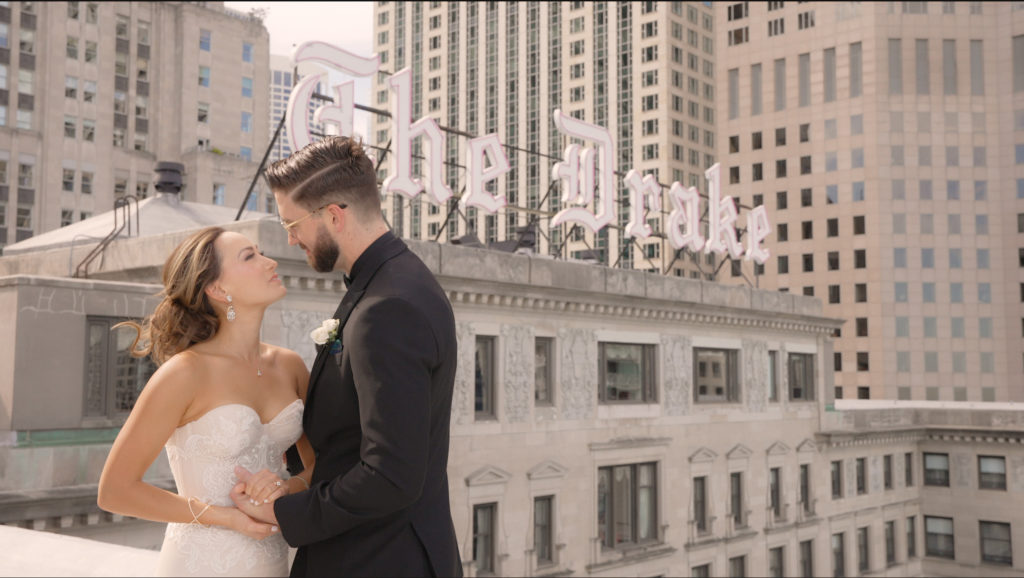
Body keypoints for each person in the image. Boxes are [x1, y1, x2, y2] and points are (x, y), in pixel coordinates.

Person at [229, 136, 462, 577]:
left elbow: (391, 474)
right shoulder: (392, 281)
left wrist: (285, 512)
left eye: (292, 224)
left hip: (379, 559)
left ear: (334, 215)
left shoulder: (388, 306)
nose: (291, 239)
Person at [97, 226, 316, 577]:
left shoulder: (288, 365)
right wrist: (227, 517)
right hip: (200, 564)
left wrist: (286, 487)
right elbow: (114, 491)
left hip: (276, 559)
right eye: (250, 256)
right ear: (218, 289)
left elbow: (320, 463)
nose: (269, 261)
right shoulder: (184, 374)